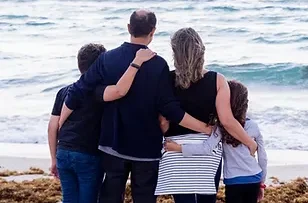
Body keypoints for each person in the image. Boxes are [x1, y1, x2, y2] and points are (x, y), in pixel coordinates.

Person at [58, 10, 213, 203]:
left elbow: (78, 91)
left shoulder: (107, 59)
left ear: (129, 28)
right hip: (146, 148)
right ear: (153, 31)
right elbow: (170, 109)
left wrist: (59, 125)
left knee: (110, 197)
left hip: (112, 144)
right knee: (145, 198)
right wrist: (205, 128)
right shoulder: (158, 65)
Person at [154, 28, 258, 203]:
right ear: (201, 51)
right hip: (207, 151)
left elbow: (163, 121)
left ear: (175, 52)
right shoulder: (217, 80)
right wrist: (249, 142)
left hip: (176, 151)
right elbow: (227, 120)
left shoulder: (165, 79)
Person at [48, 43, 156, 203]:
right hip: (88, 155)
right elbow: (121, 90)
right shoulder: (100, 92)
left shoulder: (64, 91)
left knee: (69, 200)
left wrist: (53, 159)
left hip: (63, 152)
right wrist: (137, 63)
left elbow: (52, 127)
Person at [165, 80, 268, 203]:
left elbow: (206, 148)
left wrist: (179, 148)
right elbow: (263, 158)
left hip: (233, 180)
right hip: (254, 178)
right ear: (245, 103)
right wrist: (261, 183)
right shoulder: (253, 126)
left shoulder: (221, 127)